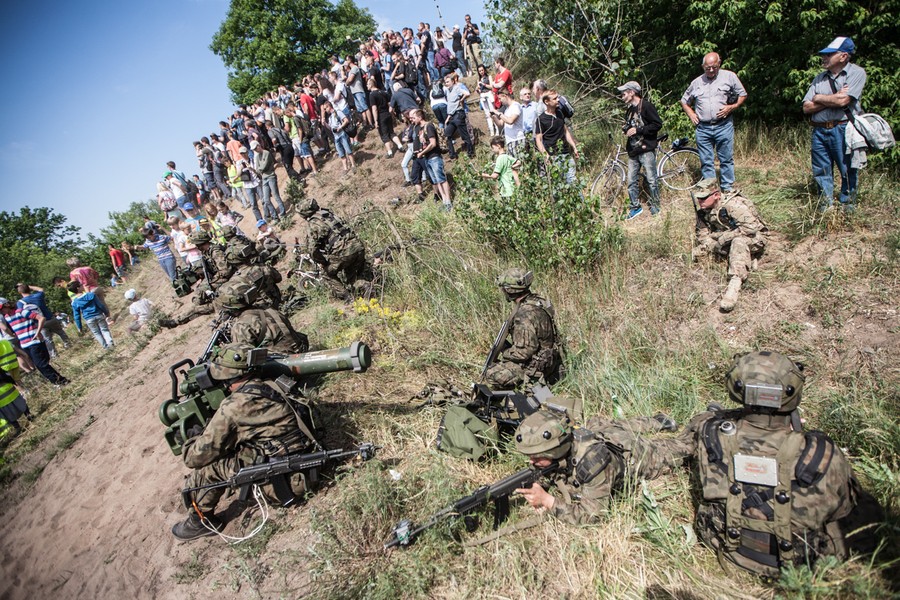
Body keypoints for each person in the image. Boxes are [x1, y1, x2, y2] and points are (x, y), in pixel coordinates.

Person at [675, 351, 866, 577]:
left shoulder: (709, 433)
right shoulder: (824, 454)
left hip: (723, 546)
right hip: (801, 564)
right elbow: (850, 513)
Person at [172, 344, 319, 541]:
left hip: (288, 483)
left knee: (209, 468)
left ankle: (200, 522)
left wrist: (194, 437)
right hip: (310, 465)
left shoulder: (234, 407)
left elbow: (194, 458)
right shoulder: (273, 383)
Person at [513, 408, 682, 525]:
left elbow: (593, 516)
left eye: (537, 458)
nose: (531, 462)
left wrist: (548, 501)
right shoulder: (565, 445)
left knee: (681, 449)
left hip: (633, 455)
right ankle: (657, 421)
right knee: (616, 426)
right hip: (604, 433)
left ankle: (702, 421)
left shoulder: (592, 463)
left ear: (556, 451)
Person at [801, 37, 867, 213]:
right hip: (819, 130)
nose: (824, 58)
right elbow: (806, 107)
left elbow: (844, 100)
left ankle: (848, 206)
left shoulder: (856, 73)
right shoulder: (820, 78)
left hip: (843, 128)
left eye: (829, 54)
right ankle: (825, 206)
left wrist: (819, 98)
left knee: (847, 168)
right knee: (821, 170)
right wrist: (833, 97)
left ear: (843, 56)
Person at [692, 178, 768, 312]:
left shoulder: (733, 204)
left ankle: (735, 284)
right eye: (698, 198)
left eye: (703, 198)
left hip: (755, 238)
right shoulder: (703, 212)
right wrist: (712, 244)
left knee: (738, 242)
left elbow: (751, 229)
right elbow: (703, 236)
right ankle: (749, 258)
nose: (700, 201)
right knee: (698, 252)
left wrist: (722, 239)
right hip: (728, 239)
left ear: (716, 195)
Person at [680, 52, 747, 192]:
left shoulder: (729, 76)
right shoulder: (696, 82)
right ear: (703, 66)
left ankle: (727, 188)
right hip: (703, 128)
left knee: (726, 159)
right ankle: (711, 190)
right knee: (706, 161)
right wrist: (691, 113)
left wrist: (732, 107)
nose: (711, 70)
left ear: (719, 64)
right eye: (708, 68)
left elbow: (743, 94)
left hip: (723, 125)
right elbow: (684, 101)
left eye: (714, 67)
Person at [485, 268, 562, 390]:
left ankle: (527, 385)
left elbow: (524, 353)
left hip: (537, 366)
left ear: (509, 290)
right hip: (550, 358)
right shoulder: (539, 302)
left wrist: (504, 353)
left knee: (491, 374)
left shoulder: (524, 314)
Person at [296, 198, 369, 301]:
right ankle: (366, 287)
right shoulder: (328, 214)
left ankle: (348, 298)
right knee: (352, 278)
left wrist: (323, 262)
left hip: (344, 252)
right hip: (358, 246)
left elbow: (312, 250)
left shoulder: (313, 223)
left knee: (326, 274)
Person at [216, 281, 309, 354]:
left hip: (285, 363)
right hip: (300, 348)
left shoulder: (241, 325)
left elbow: (243, 356)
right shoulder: (266, 308)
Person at [617, 81, 663, 219]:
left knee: (651, 179)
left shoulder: (647, 106)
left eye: (624, 93)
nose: (622, 96)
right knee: (631, 181)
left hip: (646, 149)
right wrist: (627, 129)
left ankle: (655, 205)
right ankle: (635, 207)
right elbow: (631, 125)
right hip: (633, 151)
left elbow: (657, 124)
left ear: (632, 92)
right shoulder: (629, 110)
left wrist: (638, 130)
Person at [0, 298, 69, 386]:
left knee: (41, 364)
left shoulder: (21, 312)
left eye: (2, 309)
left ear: (7, 305)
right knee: (40, 364)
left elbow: (41, 318)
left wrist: (37, 331)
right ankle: (59, 380)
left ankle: (59, 381)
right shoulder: (6, 317)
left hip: (34, 341)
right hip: (24, 344)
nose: (1, 311)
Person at [535, 90, 581, 185]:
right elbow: (538, 139)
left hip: (566, 154)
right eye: (555, 98)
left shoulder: (560, 113)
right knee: (558, 185)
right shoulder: (541, 119)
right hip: (553, 157)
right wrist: (545, 155)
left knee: (573, 182)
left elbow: (565, 131)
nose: (558, 100)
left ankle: (580, 200)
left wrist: (574, 147)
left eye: (557, 97)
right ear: (547, 102)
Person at [411, 109, 453, 208]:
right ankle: (444, 201)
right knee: (436, 181)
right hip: (427, 158)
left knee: (441, 179)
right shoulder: (418, 128)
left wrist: (421, 153)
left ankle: (448, 202)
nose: (412, 120)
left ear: (420, 117)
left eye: (414, 118)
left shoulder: (428, 126)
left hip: (434, 157)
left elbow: (433, 143)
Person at [16, 284, 69, 357]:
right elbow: (41, 289)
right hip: (50, 318)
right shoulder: (37, 296)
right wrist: (29, 286)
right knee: (60, 332)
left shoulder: (20, 303)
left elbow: (22, 313)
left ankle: (54, 355)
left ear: (19, 292)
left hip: (39, 323)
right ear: (29, 289)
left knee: (47, 339)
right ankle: (68, 344)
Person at [69, 281, 115, 350]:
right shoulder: (91, 295)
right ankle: (110, 343)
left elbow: (77, 315)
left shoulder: (75, 302)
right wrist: (106, 312)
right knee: (105, 330)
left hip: (89, 319)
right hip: (98, 315)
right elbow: (100, 305)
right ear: (78, 288)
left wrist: (79, 327)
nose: (83, 286)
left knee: (97, 333)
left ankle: (106, 347)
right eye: (81, 285)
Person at [442, 73, 475, 160]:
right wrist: (448, 117)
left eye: (448, 82)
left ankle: (471, 154)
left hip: (459, 114)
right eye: (445, 82)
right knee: (447, 134)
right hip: (452, 116)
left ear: (453, 81)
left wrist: (461, 100)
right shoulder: (448, 92)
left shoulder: (456, 88)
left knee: (464, 135)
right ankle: (453, 155)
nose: (446, 83)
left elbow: (467, 93)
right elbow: (451, 105)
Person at [250, 140, 286, 219]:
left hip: (271, 176)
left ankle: (283, 213)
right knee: (266, 199)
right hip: (264, 178)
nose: (256, 150)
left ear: (259, 146)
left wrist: (259, 169)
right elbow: (258, 170)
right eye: (254, 149)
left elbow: (263, 167)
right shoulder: (257, 156)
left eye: (256, 148)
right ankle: (275, 216)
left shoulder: (266, 153)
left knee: (276, 195)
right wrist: (259, 169)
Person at [489, 90, 526, 157]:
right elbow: (500, 124)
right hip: (510, 141)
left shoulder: (515, 106)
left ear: (505, 96)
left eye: (500, 98)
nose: (499, 101)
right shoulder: (507, 110)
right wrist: (494, 116)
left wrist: (498, 113)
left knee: (519, 163)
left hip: (517, 140)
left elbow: (510, 121)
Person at [475, 65, 499, 136]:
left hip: (489, 94)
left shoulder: (489, 77)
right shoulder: (478, 80)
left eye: (482, 70)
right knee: (487, 114)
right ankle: (491, 131)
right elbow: (478, 90)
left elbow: (491, 86)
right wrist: (477, 89)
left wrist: (484, 84)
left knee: (493, 112)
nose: (481, 72)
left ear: (484, 70)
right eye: (480, 71)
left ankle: (497, 130)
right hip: (482, 96)